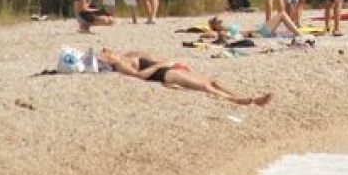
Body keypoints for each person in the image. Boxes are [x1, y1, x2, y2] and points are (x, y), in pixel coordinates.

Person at [100, 49, 271, 106]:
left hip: (171, 66)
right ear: (108, 60)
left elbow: (153, 58)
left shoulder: (127, 55)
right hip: (165, 73)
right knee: (205, 87)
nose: (107, 51)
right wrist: (162, 65)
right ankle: (243, 101)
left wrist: (169, 61)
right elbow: (140, 76)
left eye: (107, 50)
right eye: (105, 53)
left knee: (214, 81)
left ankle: (242, 95)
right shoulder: (121, 65)